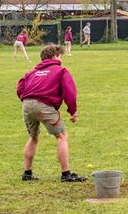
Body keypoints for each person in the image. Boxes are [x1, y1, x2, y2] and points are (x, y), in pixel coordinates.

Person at [16, 44, 86, 182]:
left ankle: (27, 173)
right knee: (62, 136)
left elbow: (20, 88)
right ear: (55, 56)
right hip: (44, 105)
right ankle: (66, 174)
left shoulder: (31, 72)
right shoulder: (61, 71)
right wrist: (73, 111)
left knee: (33, 137)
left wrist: (28, 101)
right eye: (60, 56)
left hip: (27, 104)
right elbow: (69, 92)